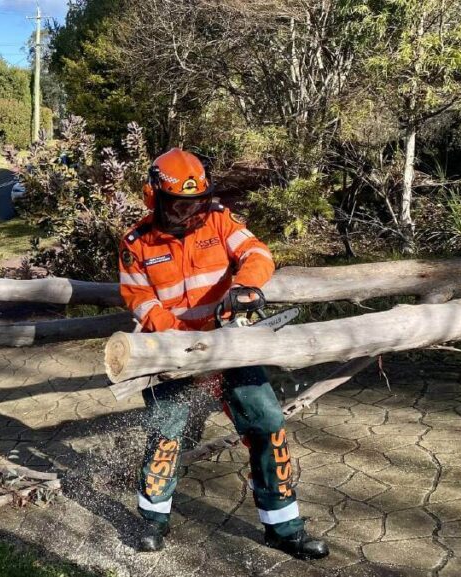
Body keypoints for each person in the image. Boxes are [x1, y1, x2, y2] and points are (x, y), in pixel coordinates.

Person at [117, 148, 329, 559]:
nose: (189, 212)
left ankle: (283, 527)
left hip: (229, 342)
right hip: (171, 351)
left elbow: (257, 253)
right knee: (167, 433)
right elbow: (138, 298)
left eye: (195, 203)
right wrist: (183, 343)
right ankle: (152, 521)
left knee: (267, 422)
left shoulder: (219, 221)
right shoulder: (135, 242)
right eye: (179, 205)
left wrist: (246, 286)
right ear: (155, 198)